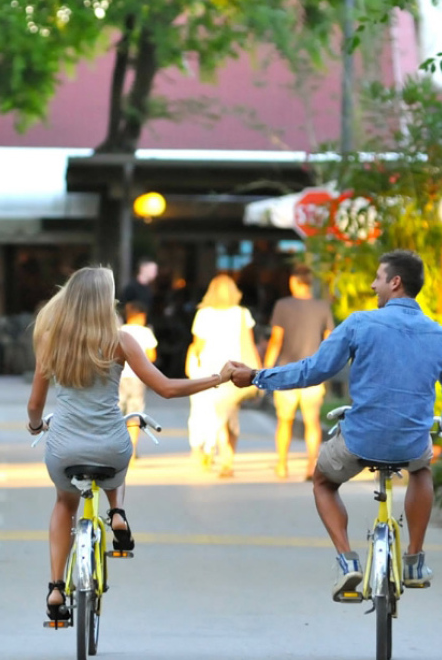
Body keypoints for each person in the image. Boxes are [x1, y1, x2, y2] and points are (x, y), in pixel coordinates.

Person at [228, 250, 442, 599]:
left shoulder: (359, 323)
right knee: (421, 470)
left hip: (361, 440)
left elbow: (314, 370)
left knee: (323, 481)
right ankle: (415, 559)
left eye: (378, 277)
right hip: (411, 440)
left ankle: (346, 561)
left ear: (395, 282)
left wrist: (257, 376)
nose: (373, 284)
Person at [26, 267, 234, 622]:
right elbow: (166, 388)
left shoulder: (50, 340)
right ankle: (117, 514)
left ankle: (57, 588)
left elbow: (35, 405)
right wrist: (218, 377)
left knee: (64, 503)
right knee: (116, 454)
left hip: (64, 449)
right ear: (105, 303)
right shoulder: (121, 340)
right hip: (110, 446)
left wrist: (35, 427)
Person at [186, 273, 262, 477]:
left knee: (216, 412)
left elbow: (198, 345)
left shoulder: (204, 314)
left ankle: (213, 449)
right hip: (236, 369)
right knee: (231, 414)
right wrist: (258, 369)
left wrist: (191, 360)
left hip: (211, 370)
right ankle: (227, 457)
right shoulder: (242, 313)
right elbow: (250, 343)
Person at [264, 264, 334, 481]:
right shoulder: (322, 307)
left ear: (293, 282)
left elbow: (276, 339)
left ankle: (282, 465)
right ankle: (311, 466)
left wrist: (266, 370)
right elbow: (331, 339)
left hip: (286, 372)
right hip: (313, 373)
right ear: (310, 283)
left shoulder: (283, 305)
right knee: (312, 421)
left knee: (284, 421)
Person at [118, 300, 158, 459]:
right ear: (141, 316)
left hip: (119, 377)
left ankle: (119, 447)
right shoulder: (145, 332)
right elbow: (151, 356)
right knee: (135, 413)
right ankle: (132, 449)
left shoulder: (119, 330)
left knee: (118, 412)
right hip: (137, 377)